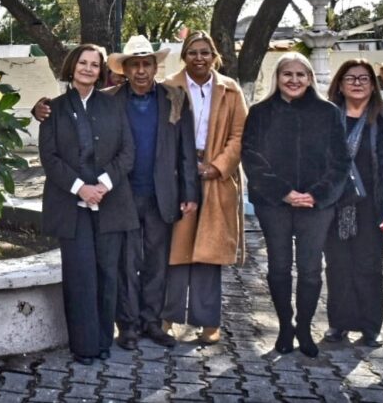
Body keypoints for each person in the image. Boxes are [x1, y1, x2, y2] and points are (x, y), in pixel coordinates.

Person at [242, 52, 349, 357]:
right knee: (278, 267)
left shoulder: (328, 112)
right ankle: (285, 327)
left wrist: (316, 194)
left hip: (317, 205)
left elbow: (340, 161)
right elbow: (251, 156)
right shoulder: (261, 112)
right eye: (287, 74)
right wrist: (283, 192)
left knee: (311, 269)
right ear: (277, 78)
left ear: (310, 78)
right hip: (274, 203)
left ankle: (304, 327)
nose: (294, 80)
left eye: (301, 74)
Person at [39, 44, 136, 365]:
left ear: (101, 71)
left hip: (110, 204)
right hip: (71, 206)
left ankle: (103, 341)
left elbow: (127, 153)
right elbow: (49, 159)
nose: (88, 69)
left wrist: (103, 185)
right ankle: (83, 346)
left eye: (95, 65)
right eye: (83, 62)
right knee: (80, 275)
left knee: (108, 274)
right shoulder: (52, 109)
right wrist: (81, 189)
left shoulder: (113, 106)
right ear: (72, 66)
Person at [104, 36, 199, 351]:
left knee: (157, 262)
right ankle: (127, 326)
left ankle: (152, 323)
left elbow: (186, 150)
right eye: (135, 65)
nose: (142, 71)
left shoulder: (175, 97)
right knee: (126, 263)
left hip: (163, 194)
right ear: (126, 69)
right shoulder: (111, 98)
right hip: (123, 194)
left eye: (147, 64)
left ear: (156, 67)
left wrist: (190, 192)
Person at [323, 59, 383, 347]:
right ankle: (339, 324)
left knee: (368, 266)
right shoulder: (327, 117)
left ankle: (370, 327)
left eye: (364, 78)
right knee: (337, 265)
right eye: (350, 78)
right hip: (334, 206)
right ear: (339, 84)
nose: (357, 83)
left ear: (373, 84)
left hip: (375, 205)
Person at [160, 31, 247, 345]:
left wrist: (217, 166)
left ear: (214, 56)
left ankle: (208, 321)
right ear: (184, 55)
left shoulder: (230, 90)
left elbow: (239, 136)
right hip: (176, 174)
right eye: (193, 52)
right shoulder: (169, 87)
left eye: (205, 52)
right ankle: (166, 317)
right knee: (175, 251)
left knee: (209, 251)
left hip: (216, 175)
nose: (199, 58)